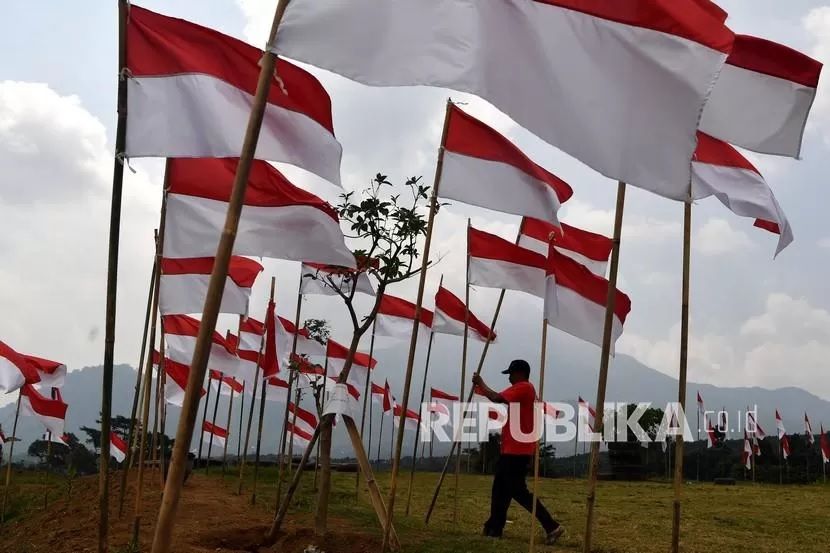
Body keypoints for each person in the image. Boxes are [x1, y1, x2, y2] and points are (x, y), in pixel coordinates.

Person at [472, 359, 564, 545]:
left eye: (510, 374)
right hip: (513, 451)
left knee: (518, 492)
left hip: (516, 452)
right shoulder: (525, 391)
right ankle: (493, 528)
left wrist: (481, 384)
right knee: (500, 491)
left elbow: (498, 398)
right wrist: (481, 389)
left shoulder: (524, 387)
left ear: (520, 373)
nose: (509, 379)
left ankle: (551, 526)